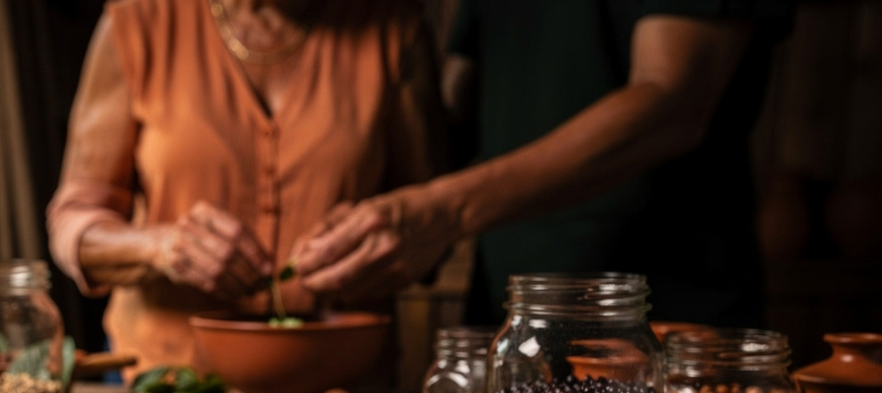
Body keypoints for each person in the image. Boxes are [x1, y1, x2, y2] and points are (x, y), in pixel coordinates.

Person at [288, 1, 795, 329]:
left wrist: (445, 212)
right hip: (511, 323)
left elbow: (672, 102)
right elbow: (456, 108)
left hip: (663, 327)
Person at [46, 0, 447, 380]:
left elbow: (431, 232)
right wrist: (161, 246)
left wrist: (382, 241)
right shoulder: (138, 21)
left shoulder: (394, 26)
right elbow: (73, 223)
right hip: (168, 382)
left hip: (344, 386)